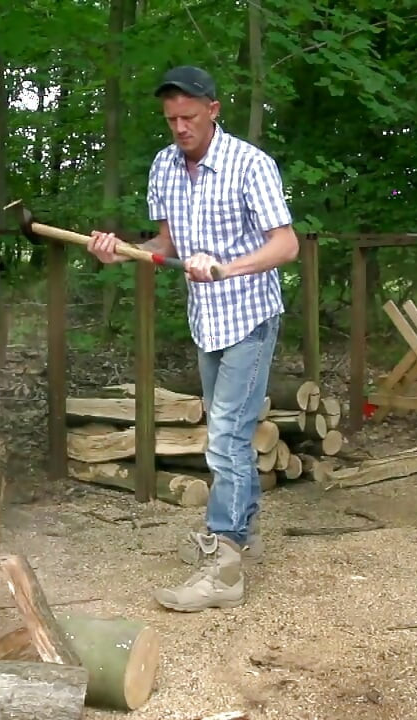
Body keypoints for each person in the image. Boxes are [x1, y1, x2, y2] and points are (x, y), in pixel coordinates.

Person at [86, 65, 299, 611]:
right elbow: (166, 243)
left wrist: (226, 267)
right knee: (228, 432)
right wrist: (121, 251)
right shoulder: (164, 166)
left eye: (189, 117)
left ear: (213, 111)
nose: (180, 128)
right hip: (207, 320)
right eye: (172, 119)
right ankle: (243, 537)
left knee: (227, 436)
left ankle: (224, 568)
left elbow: (286, 245)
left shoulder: (250, 164)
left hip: (250, 317)